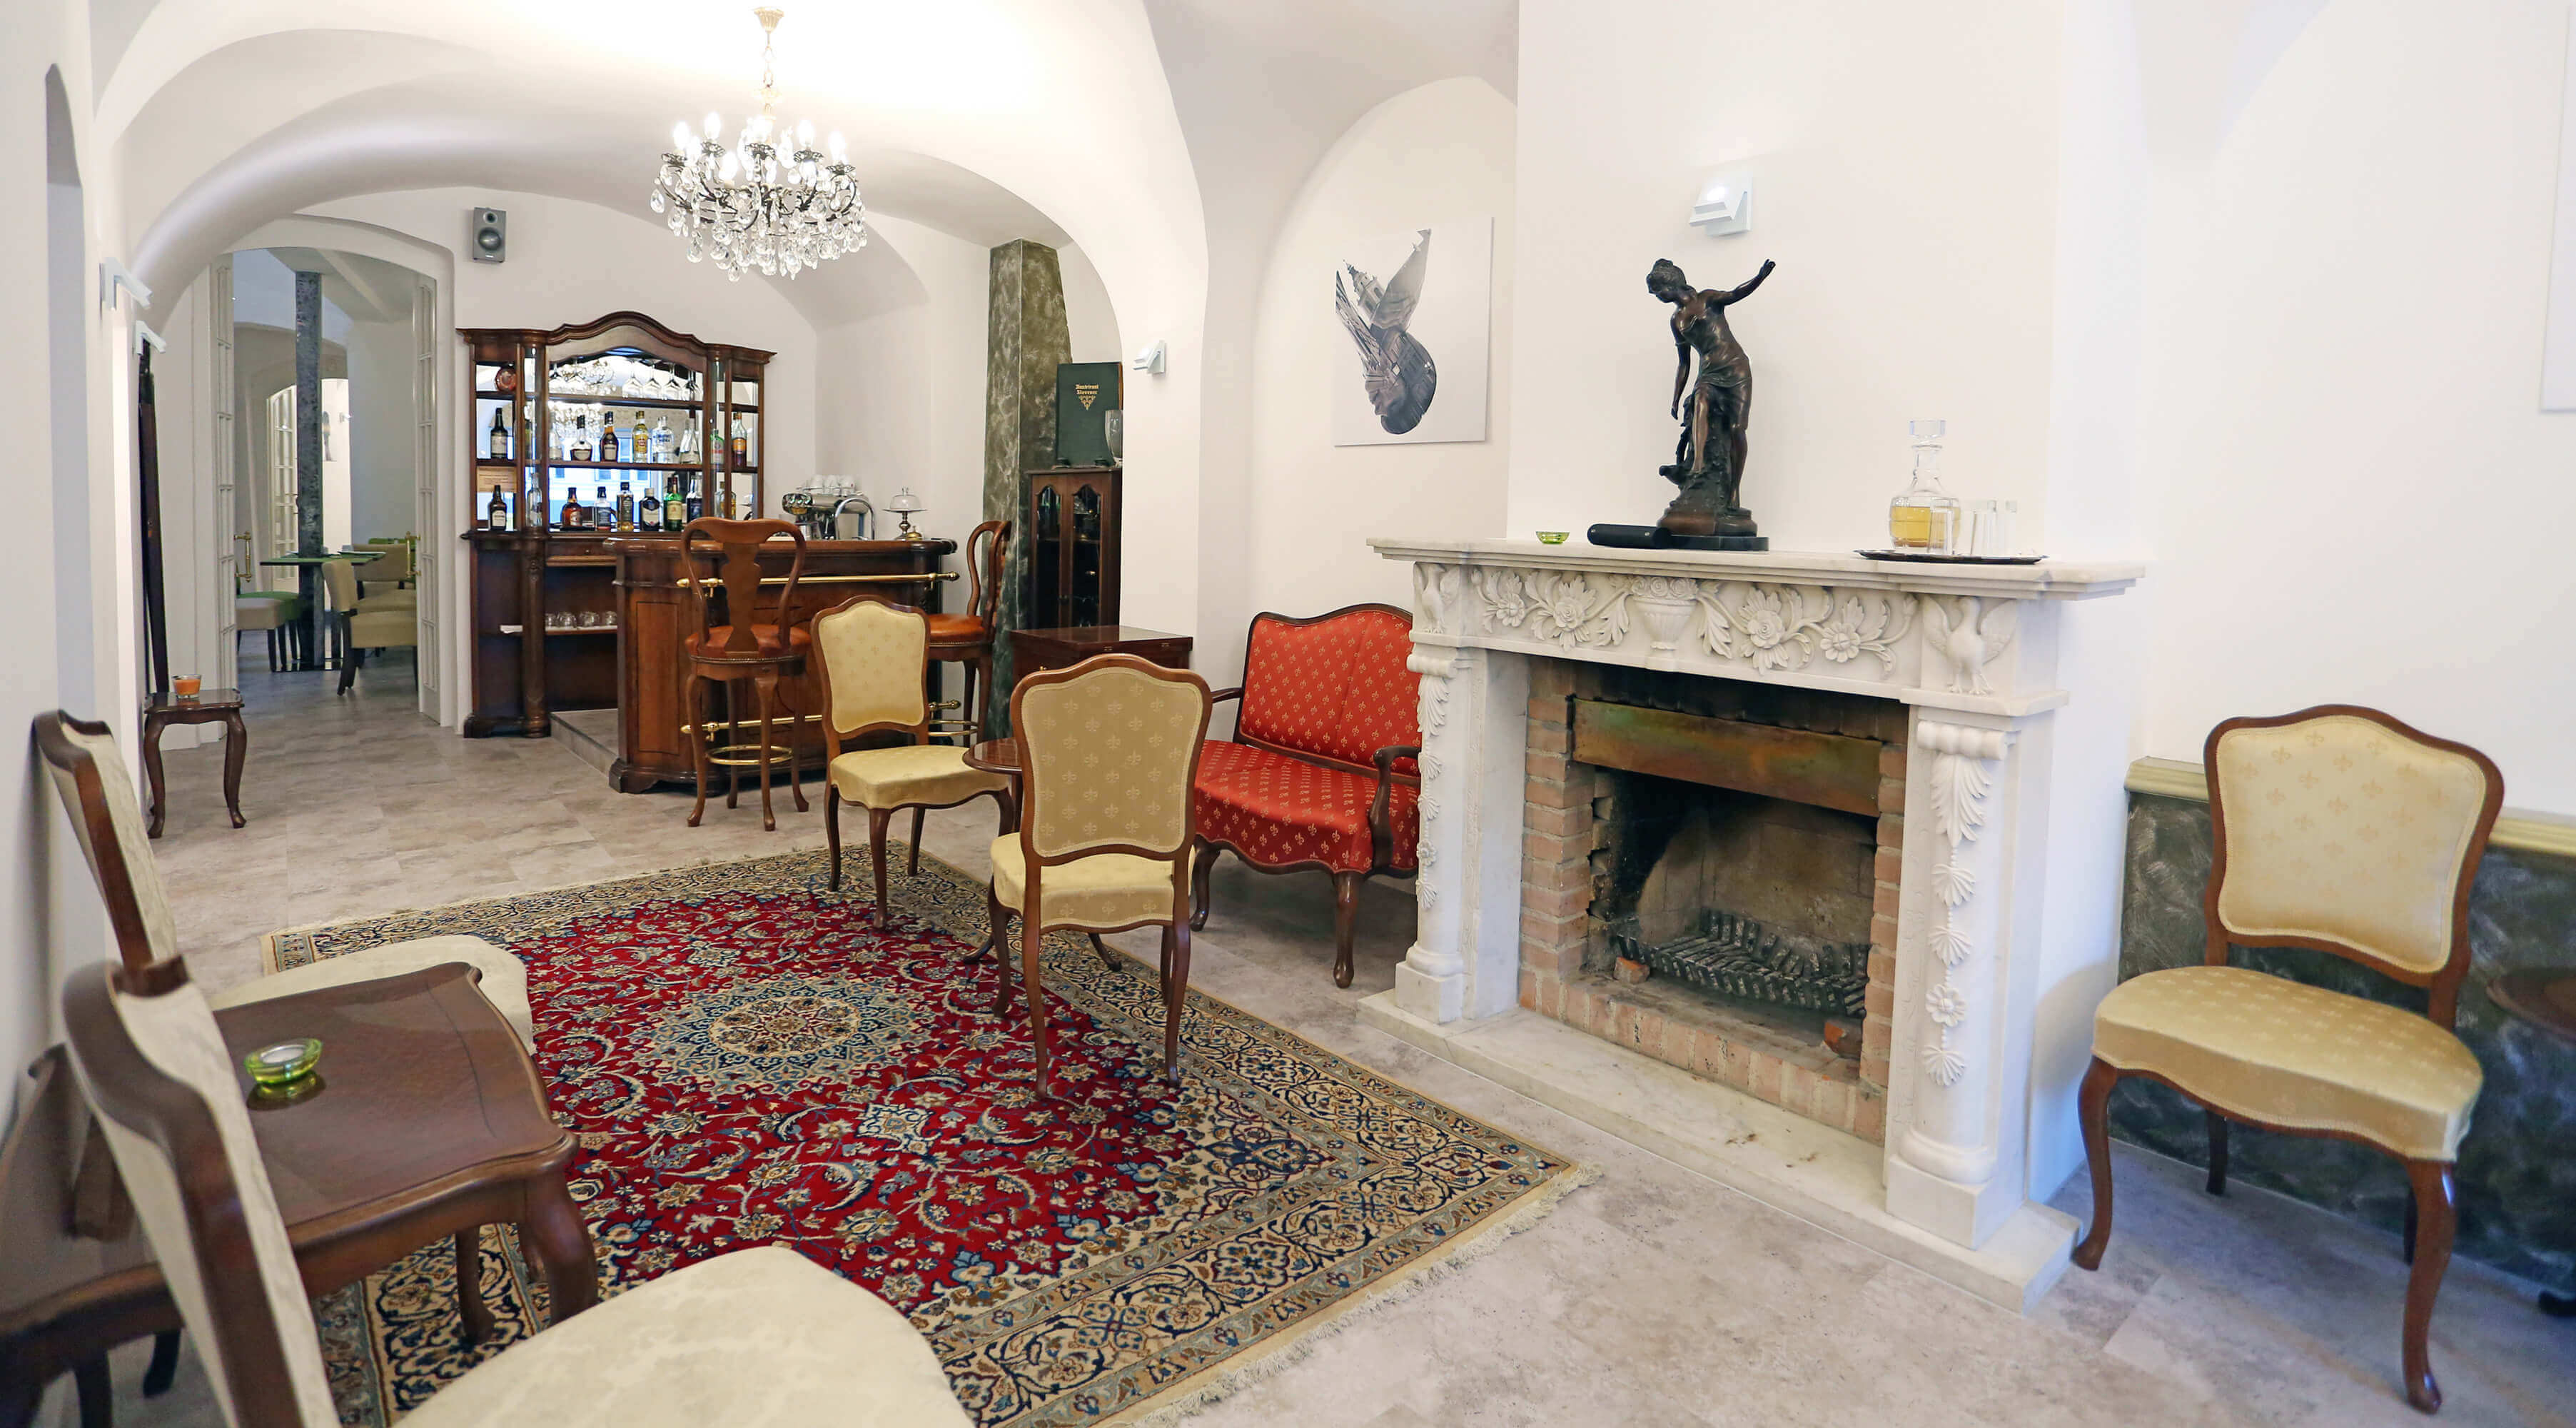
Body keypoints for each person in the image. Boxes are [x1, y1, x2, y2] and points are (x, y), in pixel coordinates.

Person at [1647, 256, 1774, 536]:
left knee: (1737, 429)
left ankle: (1733, 492)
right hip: (1709, 373)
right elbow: (1684, 362)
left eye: (1657, 291)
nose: (1656, 296)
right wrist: (1675, 397)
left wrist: (1760, 277)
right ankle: (1698, 465)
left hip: (1736, 368)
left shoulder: (1708, 299)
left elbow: (1736, 294)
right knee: (1701, 399)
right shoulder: (1677, 320)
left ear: (1670, 286)